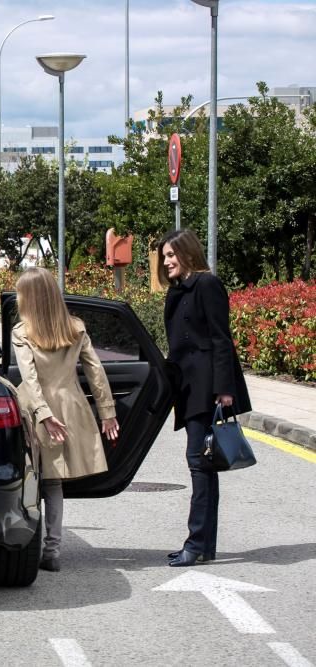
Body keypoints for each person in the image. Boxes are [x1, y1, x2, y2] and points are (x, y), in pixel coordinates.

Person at [11, 268, 120, 573]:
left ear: (29, 297)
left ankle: (24, 541)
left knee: (30, 478)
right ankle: (53, 550)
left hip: (35, 410)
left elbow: (29, 380)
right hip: (71, 406)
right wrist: (107, 412)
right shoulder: (75, 327)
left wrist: (43, 415)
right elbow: (96, 371)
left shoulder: (22, 332)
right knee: (54, 482)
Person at [159, 229, 251, 567]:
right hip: (187, 387)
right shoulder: (178, 290)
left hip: (208, 387)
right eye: (164, 256)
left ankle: (195, 543)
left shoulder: (207, 285)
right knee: (204, 465)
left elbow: (220, 338)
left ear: (188, 253)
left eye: (171, 255)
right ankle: (204, 545)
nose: (166, 261)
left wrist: (224, 389)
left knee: (199, 463)